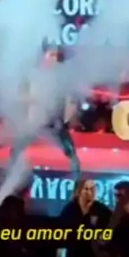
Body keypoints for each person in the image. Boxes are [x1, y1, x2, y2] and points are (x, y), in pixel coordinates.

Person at [9, 47, 81, 180]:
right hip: (36, 120)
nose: (54, 58)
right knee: (17, 147)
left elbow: (69, 98)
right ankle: (10, 172)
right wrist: (32, 99)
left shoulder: (61, 77)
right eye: (51, 55)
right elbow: (21, 95)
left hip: (55, 122)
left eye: (56, 56)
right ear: (44, 56)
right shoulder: (33, 75)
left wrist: (70, 113)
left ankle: (77, 177)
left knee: (70, 151)